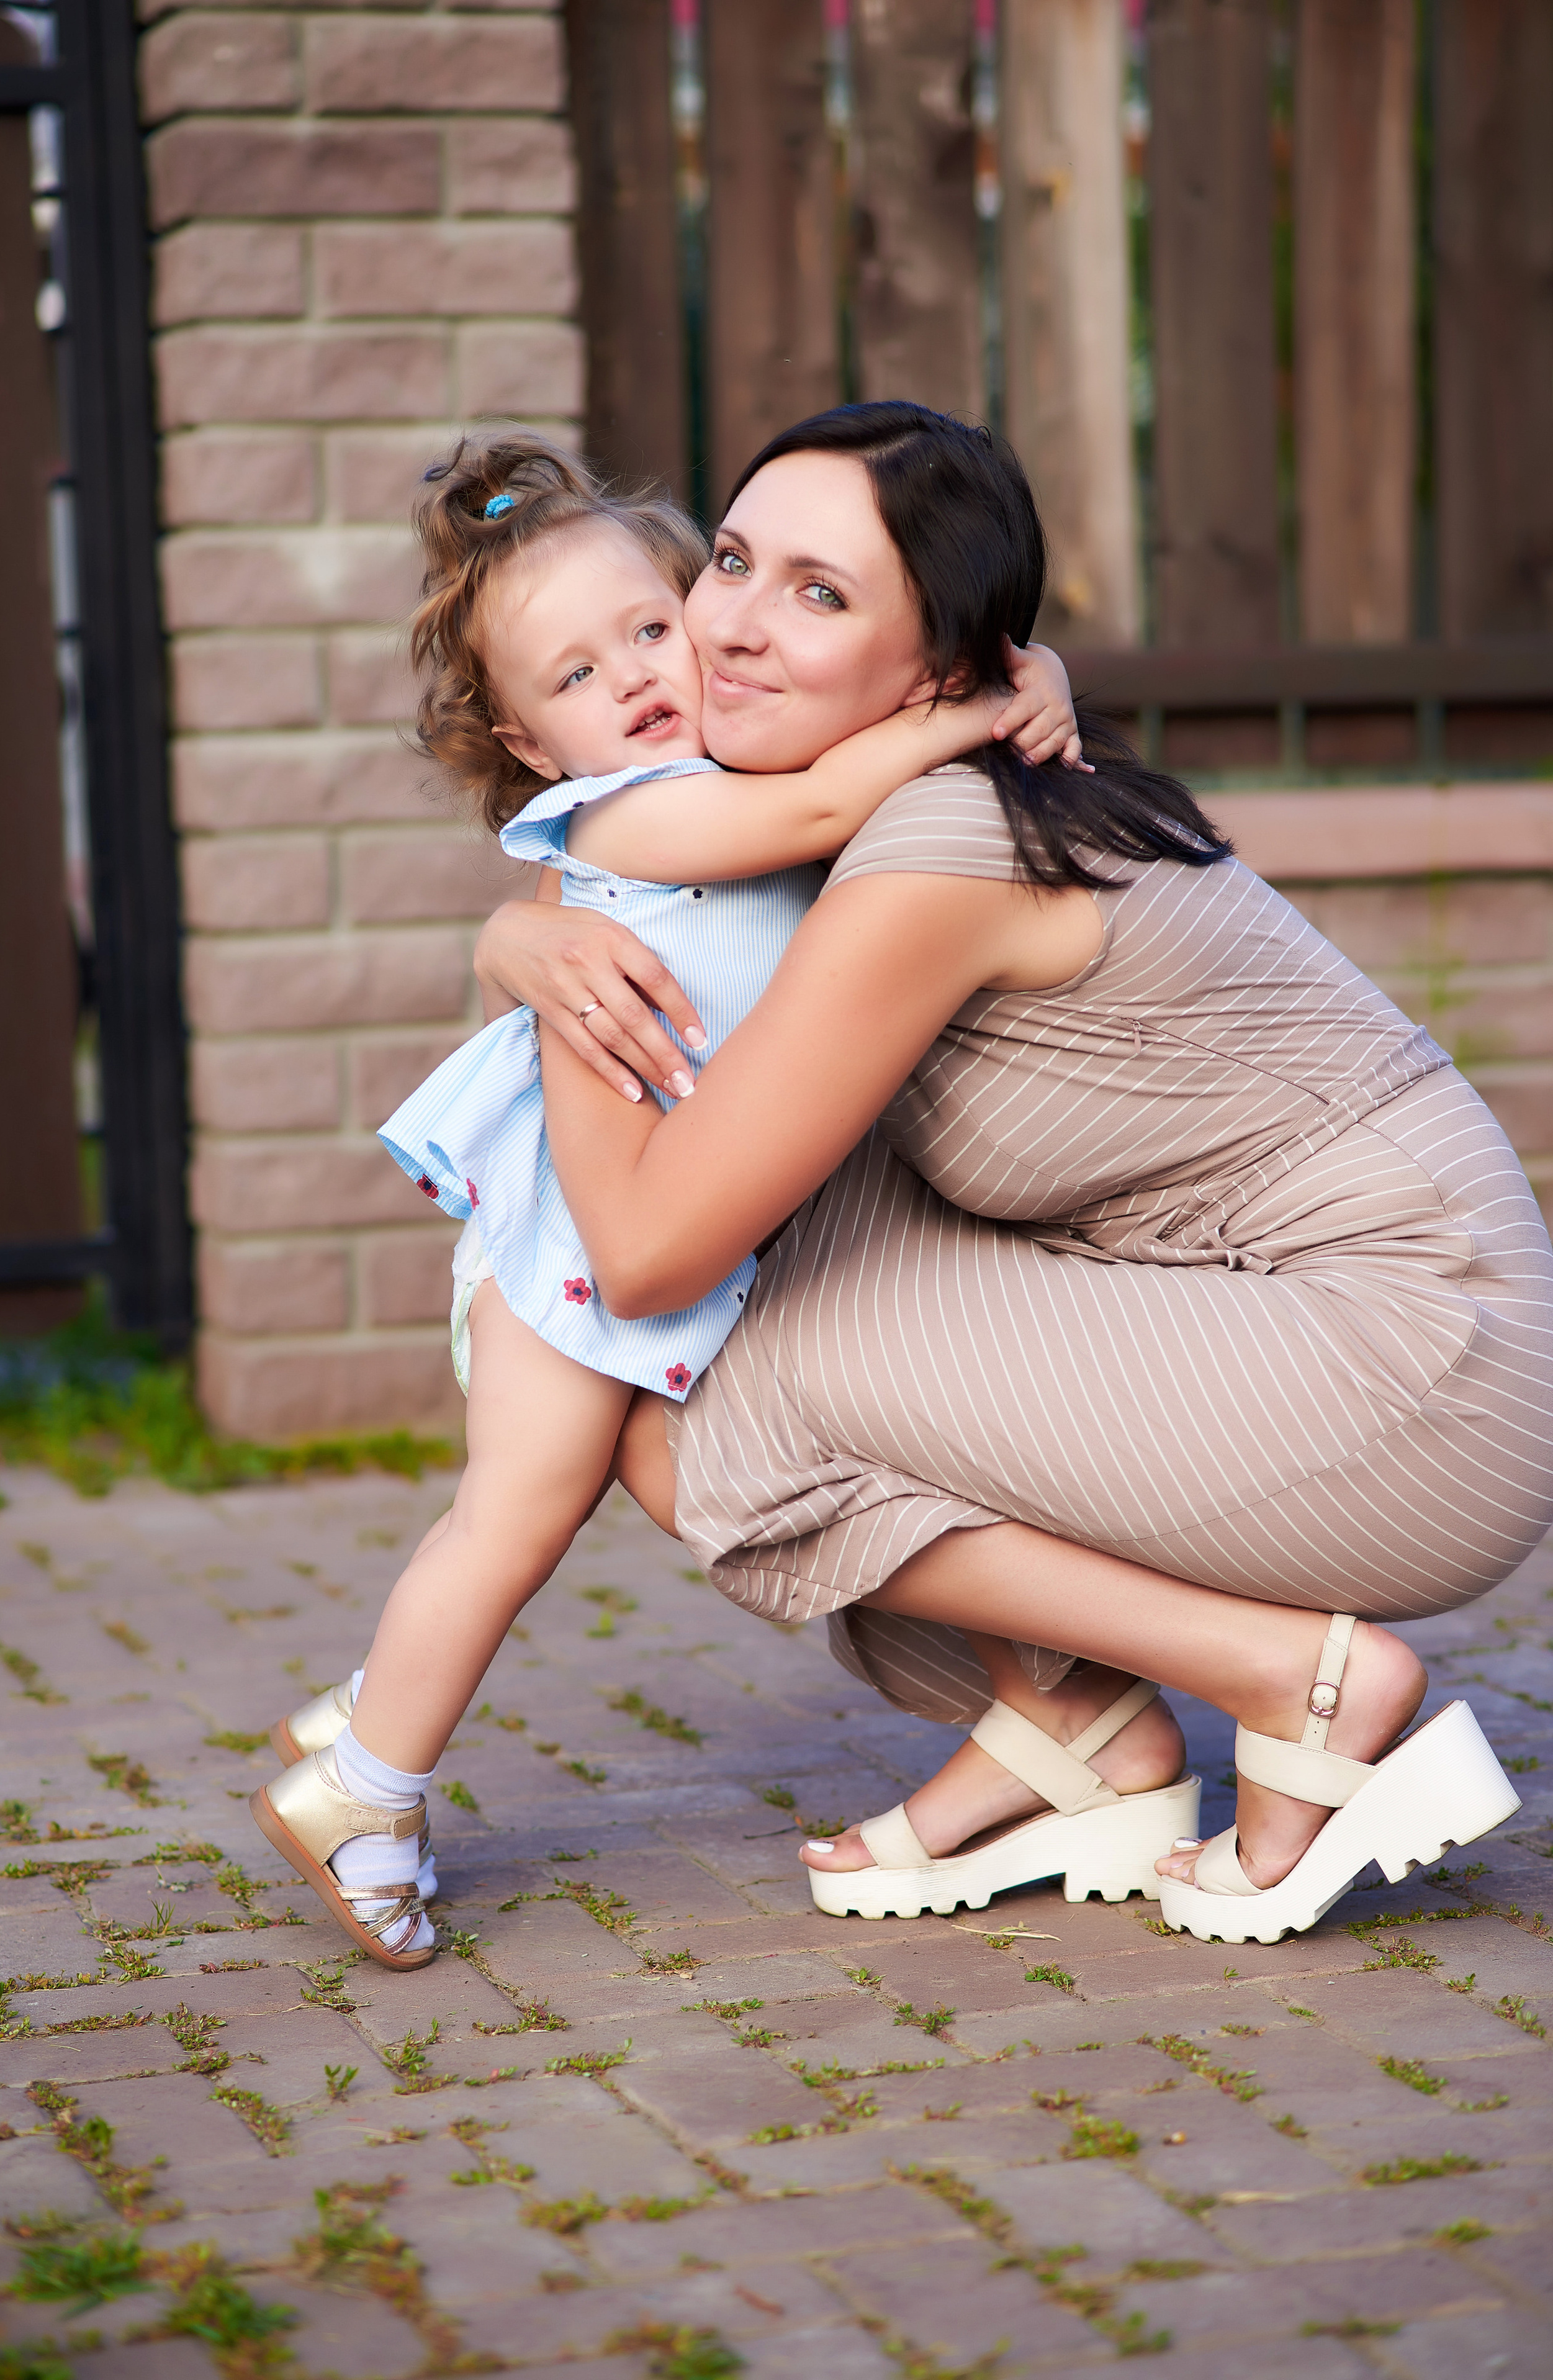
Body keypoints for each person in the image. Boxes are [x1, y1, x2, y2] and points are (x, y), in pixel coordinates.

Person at [479, 401, 1548, 1948]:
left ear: (940, 673)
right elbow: (656, 880)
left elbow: (639, 1252)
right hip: (1289, 1306)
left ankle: (1292, 1685)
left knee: (678, 1379)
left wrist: (558, 954)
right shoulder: (833, 810)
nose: (730, 628)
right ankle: (1077, 1732)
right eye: (727, 562)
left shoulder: (939, 844)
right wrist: (524, 931)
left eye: (819, 594)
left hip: (1413, 1364)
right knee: (758, 1285)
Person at [250, 430, 1081, 1968]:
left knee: (523, 1520)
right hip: (564, 1263)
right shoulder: (630, 820)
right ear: (527, 743)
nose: (633, 678)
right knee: (508, 1525)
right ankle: (368, 1792)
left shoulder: (722, 764)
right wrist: (992, 704)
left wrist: (1000, 682)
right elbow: (823, 808)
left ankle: (369, 1711)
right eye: (573, 677)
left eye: (648, 627)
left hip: (644, 1243)